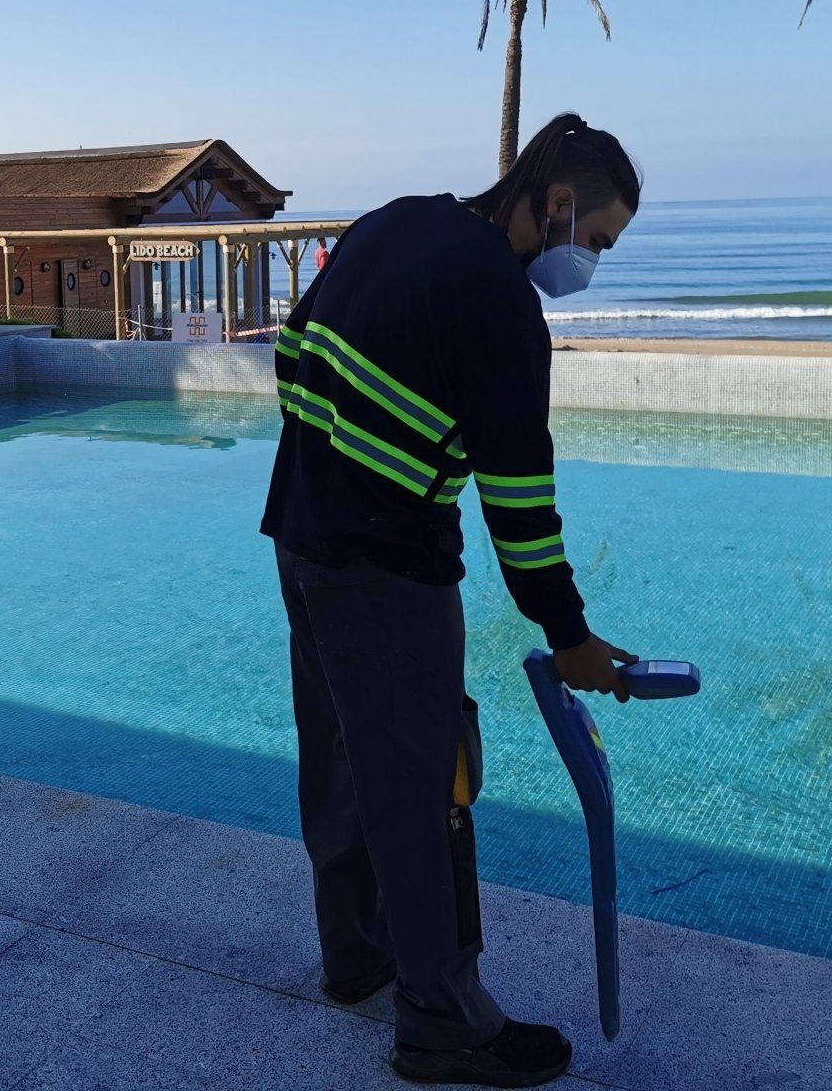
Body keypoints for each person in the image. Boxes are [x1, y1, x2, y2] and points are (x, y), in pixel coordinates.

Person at [262, 112, 642, 1088]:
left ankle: (357, 963)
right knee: (424, 791)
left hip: (300, 537)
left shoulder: (397, 222)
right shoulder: (503, 307)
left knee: (342, 765)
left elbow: (295, 350)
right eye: (597, 240)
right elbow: (521, 506)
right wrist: (573, 637)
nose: (591, 261)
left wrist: (349, 466)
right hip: (389, 575)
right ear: (558, 205)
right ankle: (441, 1021)